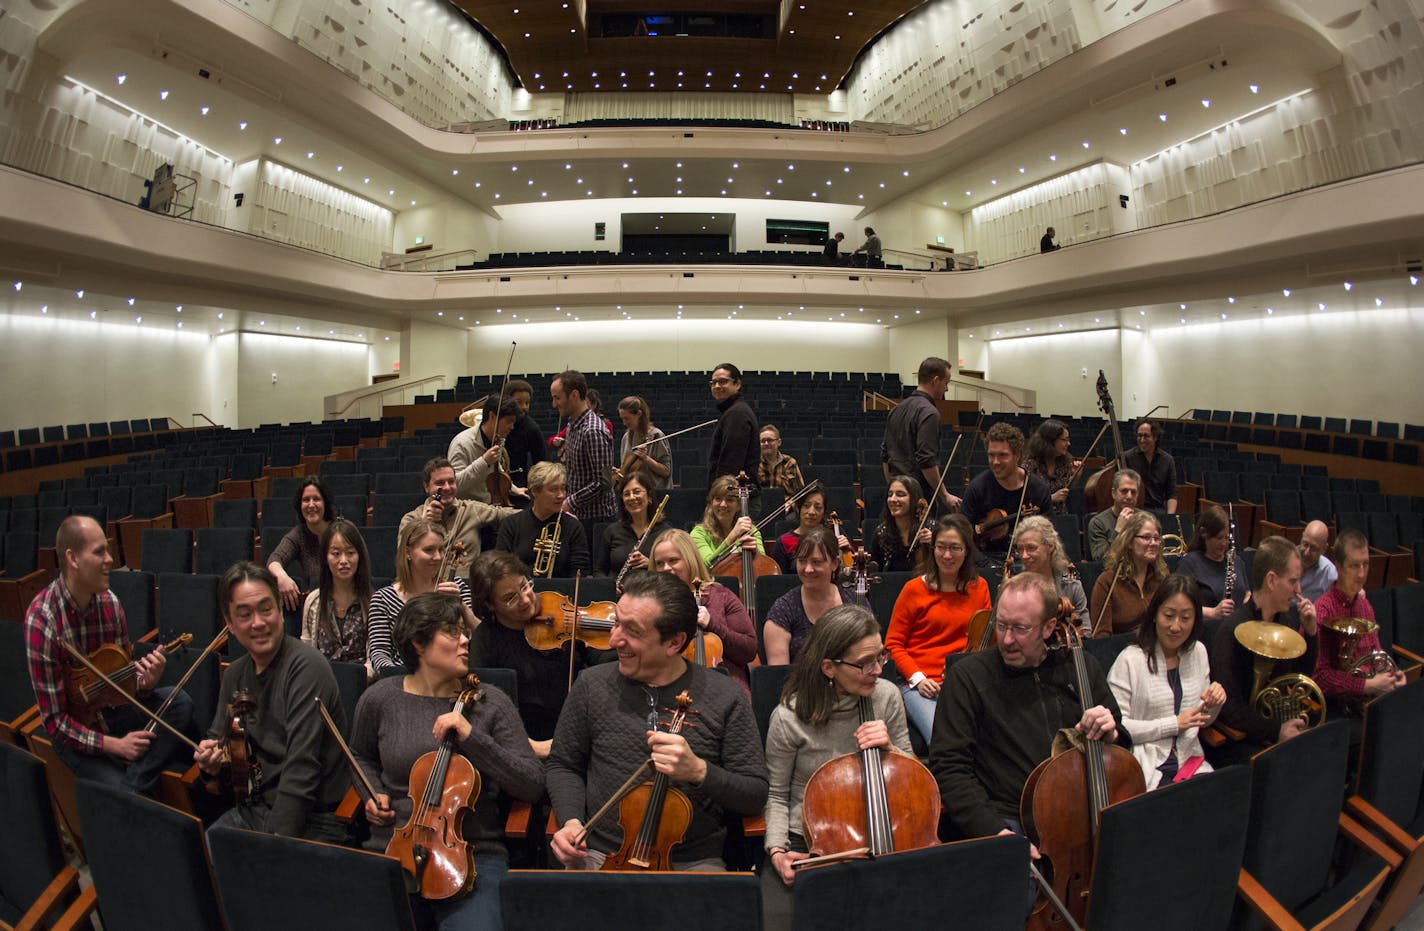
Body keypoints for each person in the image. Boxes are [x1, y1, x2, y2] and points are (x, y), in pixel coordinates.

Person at [547, 571, 768, 870]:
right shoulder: (590, 685)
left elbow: (754, 794)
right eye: (616, 623)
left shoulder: (725, 696)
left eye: (632, 631)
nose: (614, 640)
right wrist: (571, 821)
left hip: (692, 861)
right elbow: (564, 764)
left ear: (674, 643)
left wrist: (699, 771)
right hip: (599, 854)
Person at [352, 593, 544, 931]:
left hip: (473, 855)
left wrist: (473, 738)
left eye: (463, 631)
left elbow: (531, 783)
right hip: (392, 850)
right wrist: (371, 794)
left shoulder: (490, 702)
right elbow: (359, 756)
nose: (465, 639)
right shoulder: (381, 698)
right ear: (419, 644)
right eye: (451, 632)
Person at [929, 572, 1125, 842]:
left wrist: (1111, 734)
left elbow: (1122, 743)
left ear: (1048, 627)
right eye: (1001, 625)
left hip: (1081, 809)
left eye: (1020, 629)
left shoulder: (1081, 666)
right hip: (1009, 818)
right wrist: (995, 831)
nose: (1007, 640)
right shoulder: (968, 677)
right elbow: (950, 768)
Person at [762, 605, 911, 925]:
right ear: (829, 667)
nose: (878, 670)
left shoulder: (886, 698)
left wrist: (891, 749)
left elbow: (913, 775)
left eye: (880, 656)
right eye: (864, 663)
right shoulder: (788, 717)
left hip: (882, 829)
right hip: (812, 843)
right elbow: (776, 794)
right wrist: (776, 850)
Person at [25, 515, 194, 794]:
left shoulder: (110, 604)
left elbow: (121, 688)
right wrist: (115, 745)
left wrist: (144, 684)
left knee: (180, 701)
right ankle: (128, 787)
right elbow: (55, 722)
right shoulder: (42, 621)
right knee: (119, 783)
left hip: (113, 711)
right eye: (99, 551)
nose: (110, 560)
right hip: (76, 731)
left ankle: (132, 785)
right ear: (73, 558)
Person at [194, 562, 350, 841]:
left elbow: (302, 769)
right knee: (199, 862)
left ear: (280, 609)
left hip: (315, 816)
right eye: (244, 614)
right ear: (229, 624)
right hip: (256, 807)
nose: (258, 622)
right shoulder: (235, 675)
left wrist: (273, 846)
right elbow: (221, 744)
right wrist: (211, 764)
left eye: (266, 609)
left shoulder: (308, 668)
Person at [467, 551, 603, 757]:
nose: (525, 599)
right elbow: (485, 707)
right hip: (526, 740)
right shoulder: (485, 639)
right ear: (489, 605)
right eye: (510, 598)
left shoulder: (559, 612)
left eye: (524, 586)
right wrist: (530, 746)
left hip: (581, 726)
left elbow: (601, 663)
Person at [1207, 536, 1319, 766]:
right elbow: (1230, 709)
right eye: (1293, 581)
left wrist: (1311, 633)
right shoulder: (1232, 630)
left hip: (1272, 732)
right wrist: (1276, 731)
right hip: (1241, 742)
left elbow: (1299, 678)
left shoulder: (1286, 623)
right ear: (1271, 580)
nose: (1299, 590)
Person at [1107, 574, 1226, 790]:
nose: (1175, 626)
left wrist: (1214, 703)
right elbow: (1118, 727)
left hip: (1191, 762)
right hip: (1146, 765)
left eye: (1185, 618)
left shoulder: (1198, 652)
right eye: (1169, 616)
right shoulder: (1130, 660)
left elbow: (1203, 720)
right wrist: (1173, 724)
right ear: (1155, 615)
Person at [885, 515, 992, 743]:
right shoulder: (913, 590)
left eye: (954, 548)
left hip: (964, 681)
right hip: (922, 685)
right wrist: (918, 678)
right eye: (941, 547)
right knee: (944, 739)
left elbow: (984, 641)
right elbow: (893, 644)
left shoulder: (979, 587)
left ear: (966, 551)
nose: (946, 555)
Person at [651, 529, 758, 695]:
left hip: (724, 687)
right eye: (659, 563)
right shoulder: (650, 604)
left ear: (690, 560)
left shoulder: (721, 596)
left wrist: (713, 625)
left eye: (673, 560)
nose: (666, 568)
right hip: (668, 688)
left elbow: (749, 650)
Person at [1312, 530, 1405, 718]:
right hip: (1337, 708)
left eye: (1366, 564)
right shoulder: (1323, 610)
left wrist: (1392, 675)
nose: (1362, 574)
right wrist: (1368, 685)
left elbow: (1377, 655)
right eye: (1354, 566)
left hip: (1366, 700)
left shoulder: (1365, 606)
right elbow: (1320, 676)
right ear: (1338, 567)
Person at [369, 519, 476, 675]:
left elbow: (479, 639)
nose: (438, 557)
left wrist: (462, 607)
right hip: (402, 679)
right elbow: (379, 653)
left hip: (449, 675)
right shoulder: (383, 599)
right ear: (408, 553)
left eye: (441, 550)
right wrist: (401, 677)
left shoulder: (456, 587)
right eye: (429, 550)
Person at [764, 527, 870, 666]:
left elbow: (871, 657)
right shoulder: (783, 610)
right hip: (802, 685)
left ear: (835, 564)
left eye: (816, 562)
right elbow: (778, 674)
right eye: (802, 561)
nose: (808, 569)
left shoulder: (854, 600)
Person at [961, 422, 1053, 567]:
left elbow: (1048, 537)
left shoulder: (1038, 490)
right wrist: (986, 565)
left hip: (1027, 559)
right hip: (988, 560)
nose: (995, 462)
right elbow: (963, 536)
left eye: (1003, 455)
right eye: (991, 455)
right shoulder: (976, 488)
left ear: (1017, 455)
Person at [881, 357, 961, 511]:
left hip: (896, 493)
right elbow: (926, 460)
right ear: (936, 380)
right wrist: (944, 495)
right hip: (919, 496)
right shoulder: (929, 413)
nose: (947, 389)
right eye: (946, 382)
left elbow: (885, 456)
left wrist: (893, 488)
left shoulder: (896, 410)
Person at [401, 457, 518, 562]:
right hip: (426, 584)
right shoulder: (411, 519)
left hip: (466, 584)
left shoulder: (471, 509)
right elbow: (403, 558)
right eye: (440, 483)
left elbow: (510, 515)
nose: (447, 488)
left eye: (451, 482)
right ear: (426, 487)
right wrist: (423, 524)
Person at [300, 517, 374, 674]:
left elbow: (374, 659)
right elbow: (307, 654)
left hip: (362, 685)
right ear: (326, 558)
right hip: (322, 684)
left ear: (359, 556)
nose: (344, 560)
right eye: (336, 553)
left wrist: (354, 682)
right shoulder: (313, 601)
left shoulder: (374, 601)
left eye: (350, 553)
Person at [495, 461, 591, 578]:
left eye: (563, 488)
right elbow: (501, 570)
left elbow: (579, 573)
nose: (561, 495)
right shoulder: (511, 525)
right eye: (554, 489)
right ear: (535, 491)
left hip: (562, 594)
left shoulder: (573, 527)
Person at [550, 369, 617, 521]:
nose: (554, 404)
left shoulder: (592, 430)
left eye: (557, 398)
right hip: (579, 515)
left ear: (574, 395)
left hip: (596, 519)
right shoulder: (572, 424)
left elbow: (603, 483)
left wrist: (569, 502)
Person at [1089, 510, 1168, 636]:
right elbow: (1101, 636)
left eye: (1156, 538)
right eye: (1146, 537)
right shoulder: (1107, 582)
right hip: (1122, 651)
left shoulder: (1162, 577)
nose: (1153, 543)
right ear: (1130, 542)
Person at [268, 476, 333, 611]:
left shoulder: (340, 530)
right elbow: (274, 559)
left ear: (325, 503)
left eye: (316, 499)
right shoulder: (298, 535)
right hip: (315, 606)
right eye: (305, 500)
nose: (311, 505)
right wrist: (282, 577)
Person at [1013, 515, 1087, 631]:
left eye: (1031, 548)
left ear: (1050, 546)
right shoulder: (1015, 589)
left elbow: (1086, 630)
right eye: (1020, 549)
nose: (1024, 556)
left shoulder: (1071, 585)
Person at [447, 394, 525, 502]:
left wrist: (515, 489)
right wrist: (484, 462)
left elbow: (497, 471)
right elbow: (455, 485)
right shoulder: (461, 443)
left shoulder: (497, 439)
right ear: (492, 416)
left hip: (489, 505)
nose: (512, 427)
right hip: (467, 510)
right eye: (509, 421)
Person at [1176, 506, 1247, 621]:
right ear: (1204, 533)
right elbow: (1178, 604)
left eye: (1226, 537)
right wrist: (1213, 612)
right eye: (1219, 538)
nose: (1224, 543)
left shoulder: (1236, 560)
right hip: (1205, 628)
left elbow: (1246, 593)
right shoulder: (1189, 563)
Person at [594, 473, 669, 579]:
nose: (632, 497)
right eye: (626, 494)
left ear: (649, 497)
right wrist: (609, 586)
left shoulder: (665, 533)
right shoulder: (612, 531)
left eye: (637, 492)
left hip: (654, 592)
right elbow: (599, 571)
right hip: (619, 594)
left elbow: (673, 572)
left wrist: (651, 565)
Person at [690, 473, 765, 570]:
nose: (723, 504)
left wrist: (756, 553)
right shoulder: (699, 534)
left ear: (738, 505)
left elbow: (763, 567)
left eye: (729, 500)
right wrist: (732, 537)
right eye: (718, 499)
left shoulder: (750, 531)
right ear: (711, 502)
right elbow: (706, 567)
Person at [867, 474, 933, 572]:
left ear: (914, 498)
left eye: (900, 494)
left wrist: (935, 545)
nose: (893, 499)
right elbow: (874, 572)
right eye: (890, 495)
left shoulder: (931, 529)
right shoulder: (881, 532)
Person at [775, 485, 849, 573]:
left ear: (824, 511)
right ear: (798, 509)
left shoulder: (835, 532)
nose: (811, 512)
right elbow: (782, 581)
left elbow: (850, 570)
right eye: (806, 506)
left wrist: (846, 551)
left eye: (818, 507)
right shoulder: (784, 542)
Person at [708, 363, 760, 488]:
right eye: (713, 383)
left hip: (734, 496)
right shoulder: (734, 410)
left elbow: (730, 462)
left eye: (723, 381)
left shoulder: (737, 413)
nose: (717, 386)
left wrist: (720, 492)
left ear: (737, 384)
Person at [611, 395, 672, 490]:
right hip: (633, 490)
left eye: (627, 418)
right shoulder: (626, 437)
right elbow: (630, 470)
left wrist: (646, 459)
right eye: (622, 419)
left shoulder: (656, 435)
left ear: (639, 414)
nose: (624, 423)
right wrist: (620, 471)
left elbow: (666, 471)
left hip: (653, 492)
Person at [1022, 419, 1079, 516]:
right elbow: (1024, 499)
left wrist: (1076, 475)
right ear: (1050, 441)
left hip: (1061, 517)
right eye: (1064, 440)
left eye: (1068, 439)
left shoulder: (1064, 464)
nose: (1068, 444)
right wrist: (1051, 498)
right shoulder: (1030, 466)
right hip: (1037, 519)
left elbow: (1065, 490)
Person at [1122, 419, 1177, 514]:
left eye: (1146, 436)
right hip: (1135, 510)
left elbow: (1172, 495)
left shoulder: (1167, 460)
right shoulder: (1127, 457)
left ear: (1155, 438)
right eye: (1139, 436)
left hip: (1159, 510)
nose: (1142, 440)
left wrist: (1170, 518)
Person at [1085, 469, 1140, 562]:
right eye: (1124, 491)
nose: (1129, 496)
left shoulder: (1146, 519)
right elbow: (1102, 560)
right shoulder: (1098, 523)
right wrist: (1118, 531)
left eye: (1133, 492)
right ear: (1113, 493)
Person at [502, 378, 547, 491]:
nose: (524, 407)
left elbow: (540, 463)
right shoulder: (498, 423)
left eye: (527, 403)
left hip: (520, 483)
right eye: (519, 402)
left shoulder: (532, 429)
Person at [757, 425, 805, 496]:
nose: (766, 443)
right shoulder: (754, 464)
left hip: (786, 505)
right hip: (761, 505)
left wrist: (791, 502)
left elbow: (800, 492)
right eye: (763, 441)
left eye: (770, 440)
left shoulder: (790, 462)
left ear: (779, 442)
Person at [1297, 520, 1338, 603]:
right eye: (1305, 544)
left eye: (1313, 548)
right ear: (1302, 536)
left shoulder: (1329, 572)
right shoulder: (1285, 558)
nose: (1306, 552)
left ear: (1324, 549)